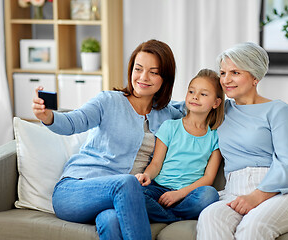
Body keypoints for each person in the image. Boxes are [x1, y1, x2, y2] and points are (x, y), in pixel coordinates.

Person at [32, 39, 185, 240]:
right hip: (76, 191)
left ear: (165, 78)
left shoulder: (166, 114)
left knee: (110, 221)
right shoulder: (108, 101)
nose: (143, 77)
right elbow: (74, 121)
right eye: (138, 69)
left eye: (153, 72)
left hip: (117, 199)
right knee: (128, 183)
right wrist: (48, 117)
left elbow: (195, 106)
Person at [197, 42, 288, 239]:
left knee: (252, 227)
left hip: (282, 192)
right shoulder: (219, 109)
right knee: (210, 217)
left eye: (235, 72)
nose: (226, 80)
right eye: (223, 73)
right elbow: (185, 104)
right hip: (235, 191)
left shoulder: (278, 110)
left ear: (255, 77)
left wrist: (257, 196)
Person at [135, 69, 224, 223]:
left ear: (216, 103)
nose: (195, 96)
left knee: (210, 195)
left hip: (189, 194)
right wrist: (147, 176)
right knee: (134, 194)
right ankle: (174, 217)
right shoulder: (170, 126)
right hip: (159, 188)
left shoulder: (215, 136)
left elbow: (209, 178)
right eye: (191, 91)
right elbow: (156, 163)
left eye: (203, 94)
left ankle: (165, 215)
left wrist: (179, 194)